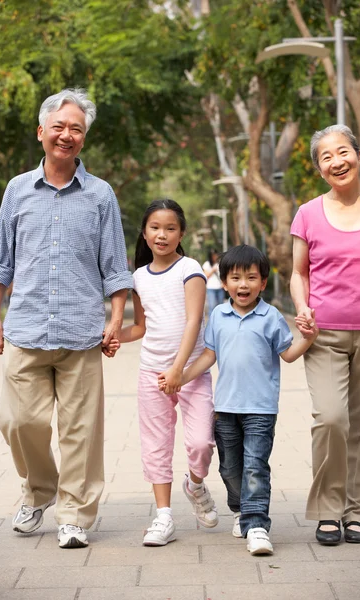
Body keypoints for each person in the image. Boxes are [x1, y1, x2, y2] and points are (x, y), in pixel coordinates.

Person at [0, 88, 133, 549]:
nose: (66, 135)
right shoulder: (16, 190)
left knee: (81, 433)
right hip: (26, 328)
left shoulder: (100, 195)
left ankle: (74, 514)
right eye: (59, 127)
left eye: (76, 129)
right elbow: (0, 263)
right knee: (15, 421)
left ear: (83, 139)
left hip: (82, 332)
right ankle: (39, 490)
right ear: (41, 133)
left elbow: (114, 265)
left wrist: (115, 320)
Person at [159, 244, 319, 555]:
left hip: (260, 409)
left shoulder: (270, 316)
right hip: (225, 408)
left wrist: (308, 338)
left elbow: (287, 355)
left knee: (255, 467)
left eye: (250, 278)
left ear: (263, 283)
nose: (242, 284)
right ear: (224, 281)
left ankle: (257, 524)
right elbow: (209, 355)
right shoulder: (218, 314)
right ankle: (240, 510)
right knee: (230, 468)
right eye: (234, 278)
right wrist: (181, 377)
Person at [290, 124, 360, 546]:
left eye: (343, 152)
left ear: (359, 157)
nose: (337, 161)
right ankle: (328, 509)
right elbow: (298, 273)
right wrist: (302, 308)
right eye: (326, 157)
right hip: (324, 333)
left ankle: (355, 512)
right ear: (319, 168)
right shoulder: (308, 213)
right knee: (331, 418)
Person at [116, 198, 218, 546]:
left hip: (189, 373)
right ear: (144, 234)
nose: (162, 234)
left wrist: (178, 371)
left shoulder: (190, 268)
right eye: (155, 228)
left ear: (181, 233)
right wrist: (112, 338)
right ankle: (163, 518)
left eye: (170, 228)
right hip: (152, 374)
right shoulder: (138, 277)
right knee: (157, 446)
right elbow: (140, 327)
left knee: (202, 442)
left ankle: (196, 483)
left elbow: (194, 321)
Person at [202, 249, 225, 315]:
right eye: (213, 255)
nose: (214, 257)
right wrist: (213, 270)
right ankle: (211, 322)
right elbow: (206, 276)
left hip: (220, 287)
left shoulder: (220, 263)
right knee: (212, 306)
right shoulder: (206, 264)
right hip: (211, 288)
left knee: (221, 305)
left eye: (215, 255)